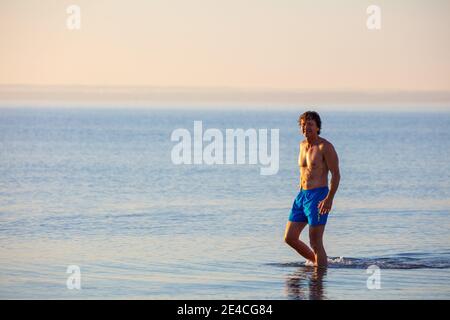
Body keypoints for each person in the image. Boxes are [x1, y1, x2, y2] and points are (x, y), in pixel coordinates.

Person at [284, 111, 340, 268]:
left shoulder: (325, 147)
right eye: (303, 124)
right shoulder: (302, 146)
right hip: (302, 196)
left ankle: (319, 279)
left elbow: (336, 174)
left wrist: (329, 198)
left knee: (315, 242)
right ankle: (318, 263)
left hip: (318, 196)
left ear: (317, 127)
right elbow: (304, 172)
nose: (305, 127)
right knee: (290, 237)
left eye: (309, 124)